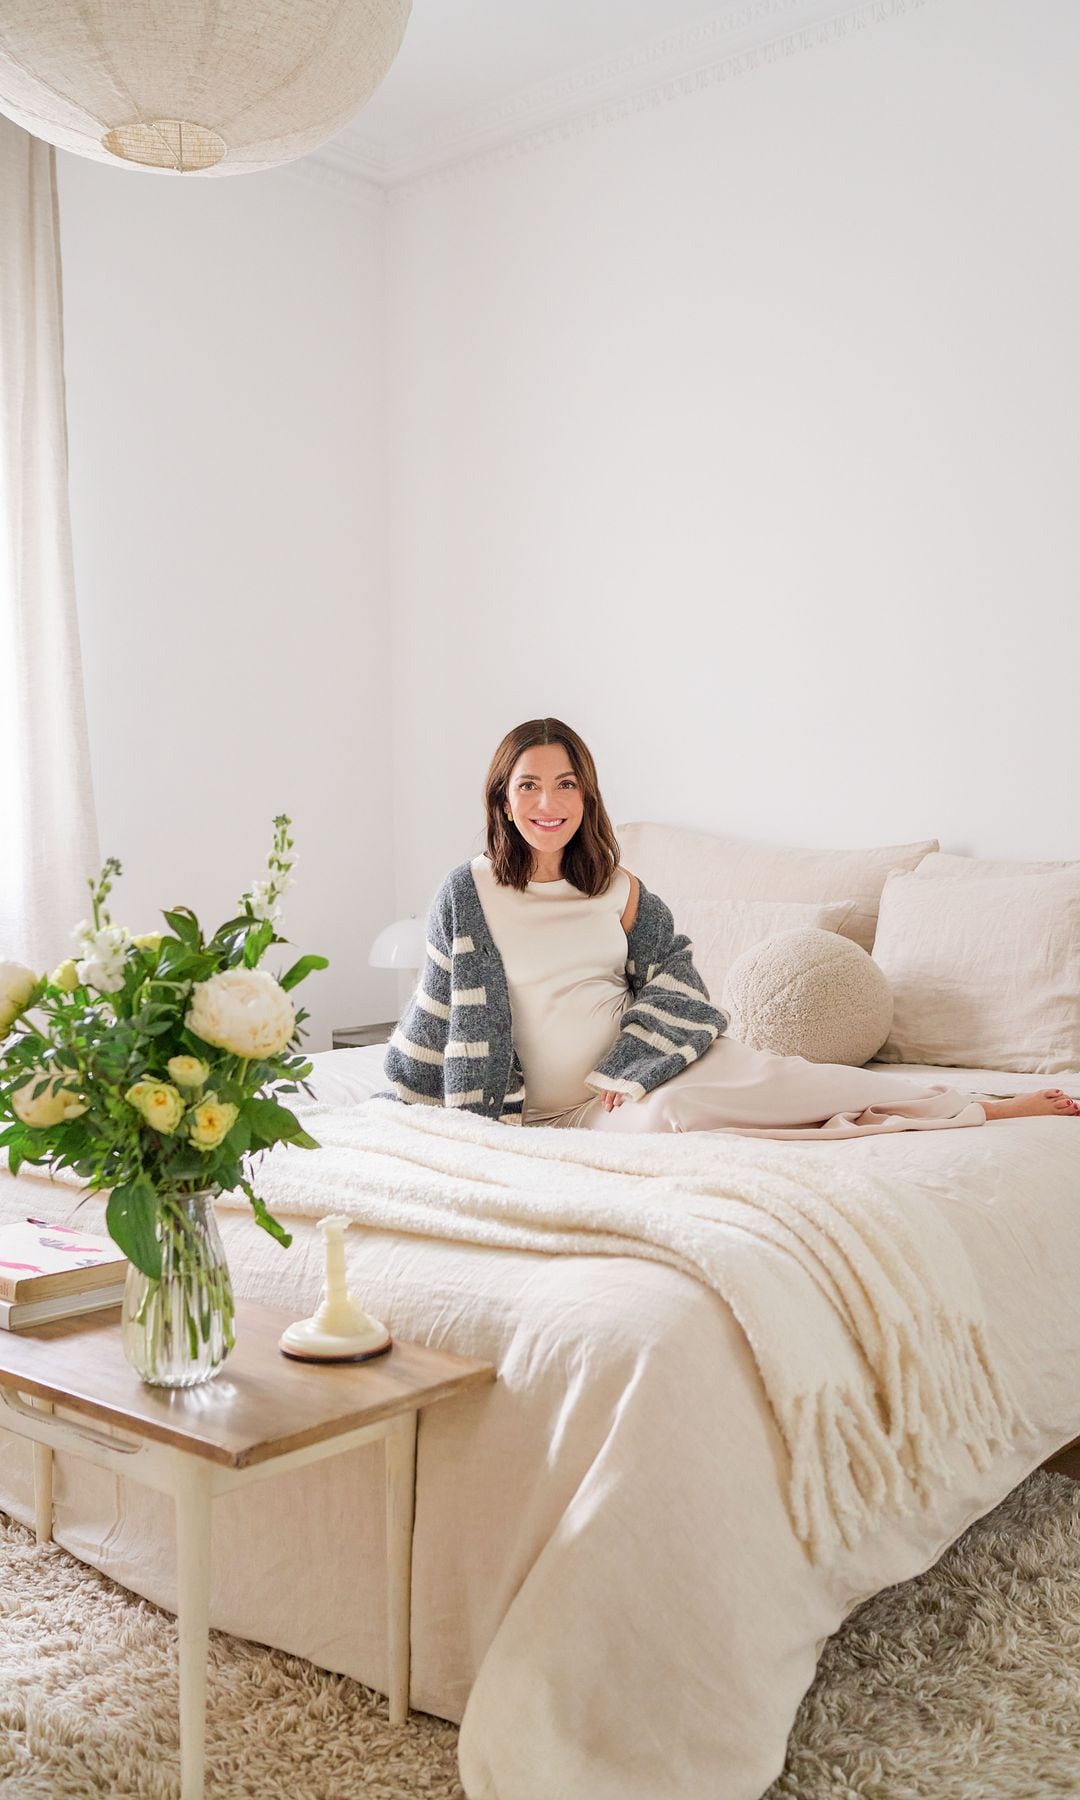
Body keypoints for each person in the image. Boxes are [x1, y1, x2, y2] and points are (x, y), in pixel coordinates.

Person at [382, 718, 1080, 1139]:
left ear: (586, 795)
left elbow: (681, 986)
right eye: (529, 785)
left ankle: (977, 1110)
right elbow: (435, 1010)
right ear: (503, 800)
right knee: (692, 1124)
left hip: (627, 1091)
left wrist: (632, 1067)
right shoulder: (467, 892)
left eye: (565, 784)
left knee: (792, 1086)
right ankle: (937, 1113)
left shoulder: (620, 891)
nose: (548, 801)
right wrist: (398, 1112)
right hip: (545, 1119)